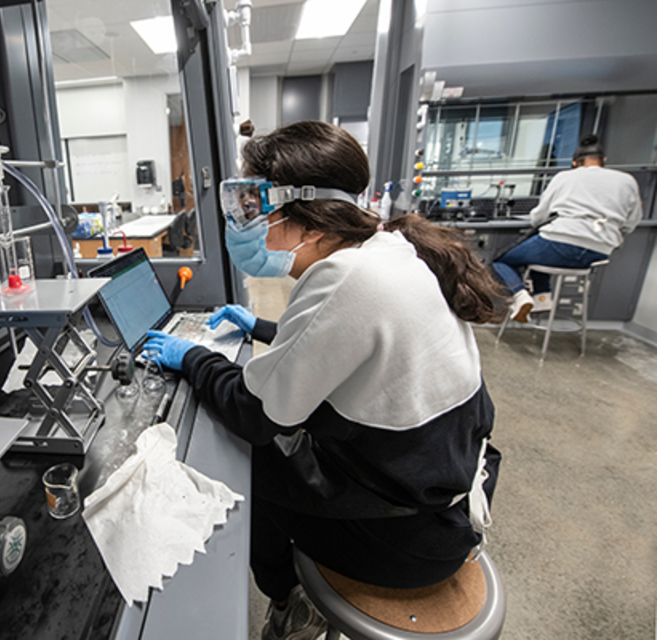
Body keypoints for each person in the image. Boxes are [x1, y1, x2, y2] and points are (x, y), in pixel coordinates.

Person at [143, 121, 503, 640]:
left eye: (253, 206)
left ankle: (289, 600)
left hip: (404, 541)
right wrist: (262, 328)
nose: (244, 223)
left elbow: (255, 412)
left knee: (250, 458)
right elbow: (349, 349)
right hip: (443, 502)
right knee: (290, 437)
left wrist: (193, 358)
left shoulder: (343, 279)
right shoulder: (389, 251)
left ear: (305, 219)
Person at [493, 134, 642, 322]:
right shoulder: (627, 180)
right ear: (603, 160)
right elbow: (631, 222)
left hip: (560, 243)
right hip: (600, 252)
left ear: (575, 162)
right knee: (537, 250)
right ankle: (541, 297)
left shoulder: (564, 177)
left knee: (502, 260)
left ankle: (520, 296)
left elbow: (540, 216)